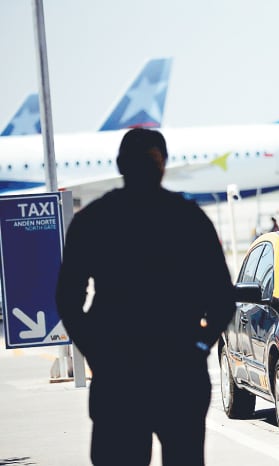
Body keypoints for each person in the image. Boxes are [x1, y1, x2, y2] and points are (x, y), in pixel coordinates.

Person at [55, 128, 235, 466]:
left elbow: (67, 298)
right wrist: (199, 346)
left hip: (121, 373)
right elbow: (222, 297)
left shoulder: (94, 219)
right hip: (177, 369)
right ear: (163, 165)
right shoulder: (188, 218)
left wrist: (96, 352)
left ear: (119, 165)